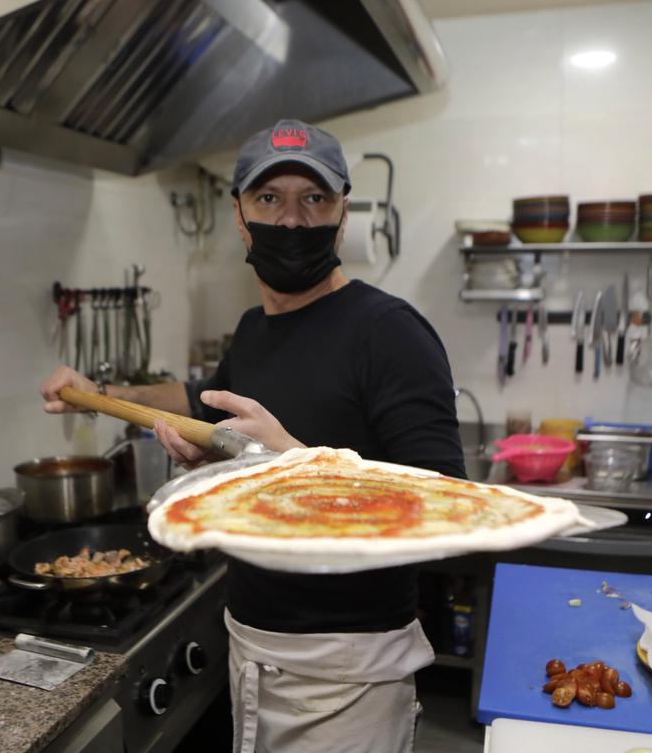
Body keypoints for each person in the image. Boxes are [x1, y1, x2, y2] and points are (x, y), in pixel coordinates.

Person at [40, 118, 464, 753]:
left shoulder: (388, 332)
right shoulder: (254, 329)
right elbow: (203, 405)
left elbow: (449, 507)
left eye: (313, 198)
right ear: (239, 215)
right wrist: (99, 394)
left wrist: (299, 462)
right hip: (252, 645)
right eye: (269, 198)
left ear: (342, 213)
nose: (291, 220)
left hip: (348, 669)